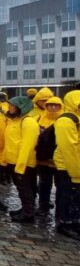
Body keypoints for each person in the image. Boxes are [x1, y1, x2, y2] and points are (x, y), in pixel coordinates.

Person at [4, 96, 39, 223]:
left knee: (26, 188)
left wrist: (21, 165)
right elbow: (10, 142)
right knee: (22, 188)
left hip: (23, 163)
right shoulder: (15, 121)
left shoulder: (28, 122)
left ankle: (28, 213)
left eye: (12, 105)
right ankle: (26, 209)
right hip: (14, 161)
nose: (9, 107)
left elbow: (27, 146)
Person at [53, 90, 80, 240]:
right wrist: (76, 172)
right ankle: (65, 223)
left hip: (76, 165)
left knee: (75, 197)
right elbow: (68, 148)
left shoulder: (77, 118)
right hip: (68, 166)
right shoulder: (66, 120)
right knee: (67, 195)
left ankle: (75, 222)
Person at [35, 96, 62, 216]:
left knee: (60, 186)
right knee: (44, 183)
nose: (52, 107)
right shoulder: (39, 118)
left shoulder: (64, 120)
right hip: (43, 159)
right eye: (50, 105)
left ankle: (61, 209)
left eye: (55, 105)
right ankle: (43, 206)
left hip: (59, 160)